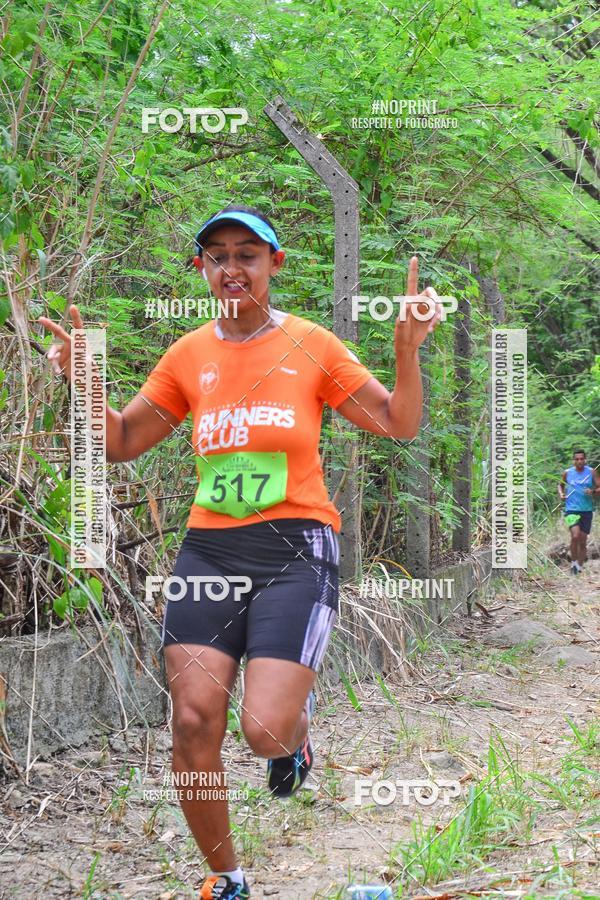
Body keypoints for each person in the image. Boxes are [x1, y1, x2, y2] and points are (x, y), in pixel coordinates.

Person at [39, 205, 442, 899]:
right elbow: (122, 440)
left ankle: (293, 737)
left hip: (295, 550)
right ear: (201, 268)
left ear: (273, 264)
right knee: (193, 719)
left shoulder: (311, 344)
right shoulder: (188, 355)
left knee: (262, 731)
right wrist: (88, 383)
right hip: (209, 551)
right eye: (217, 255)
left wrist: (407, 351)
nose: (231, 267)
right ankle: (226, 876)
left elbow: (397, 423)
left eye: (247, 254)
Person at [558, 449, 599, 575]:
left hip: (586, 510)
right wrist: (561, 494)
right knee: (575, 536)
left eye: (581, 459)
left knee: (582, 540)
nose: (579, 461)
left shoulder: (591, 472)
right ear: (573, 460)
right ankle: (574, 563)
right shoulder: (567, 473)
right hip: (571, 509)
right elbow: (560, 485)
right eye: (577, 459)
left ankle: (579, 567)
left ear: (585, 460)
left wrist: (592, 491)